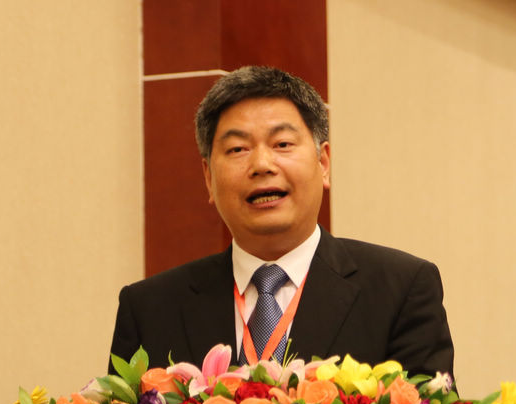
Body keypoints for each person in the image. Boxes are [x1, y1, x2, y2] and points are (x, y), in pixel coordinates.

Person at [109, 66, 454, 379]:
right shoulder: (149, 309)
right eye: (237, 149)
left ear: (323, 163)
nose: (262, 164)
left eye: (282, 144)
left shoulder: (401, 290)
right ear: (208, 178)